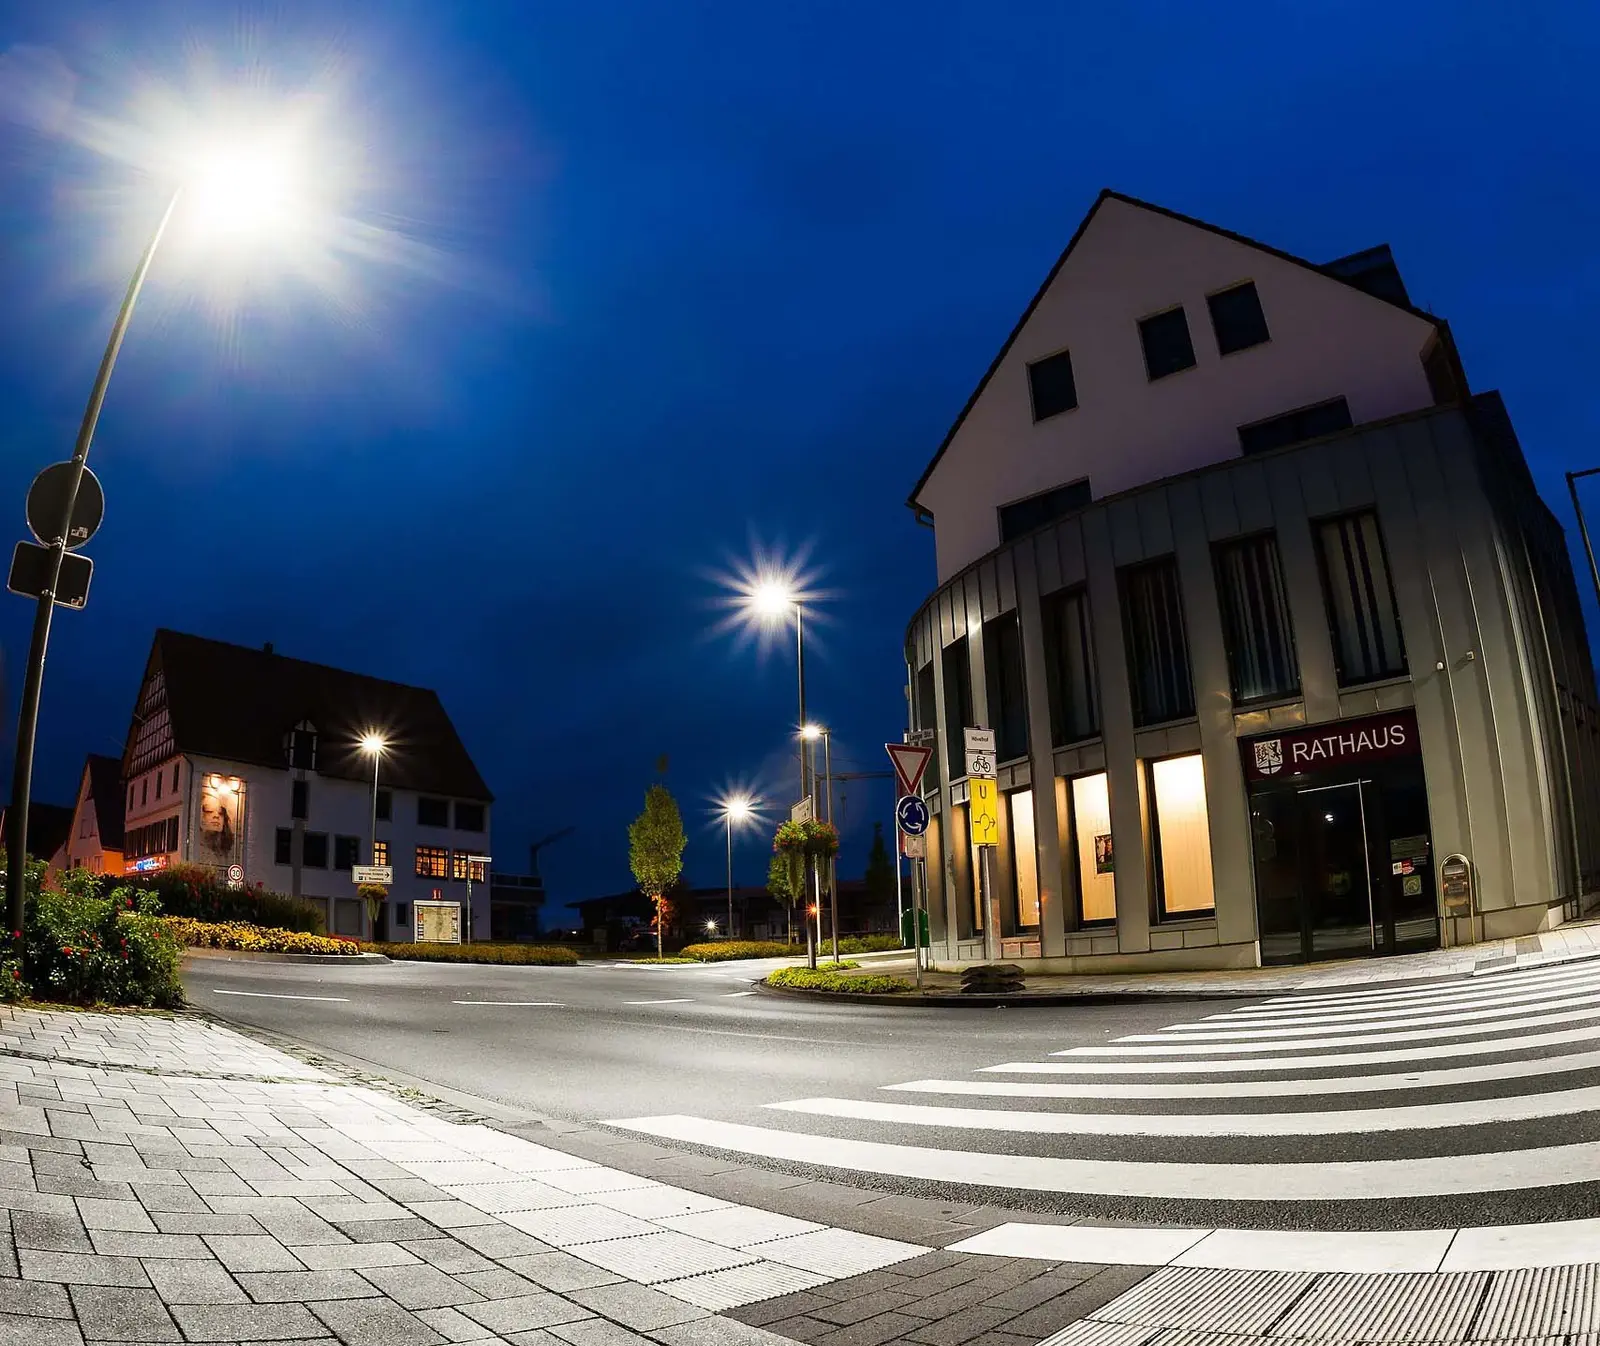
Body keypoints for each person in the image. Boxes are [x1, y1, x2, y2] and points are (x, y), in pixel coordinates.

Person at [197, 789, 235, 860]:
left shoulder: (230, 848)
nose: (216, 816)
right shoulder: (196, 847)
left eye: (220, 813)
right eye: (209, 811)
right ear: (201, 817)